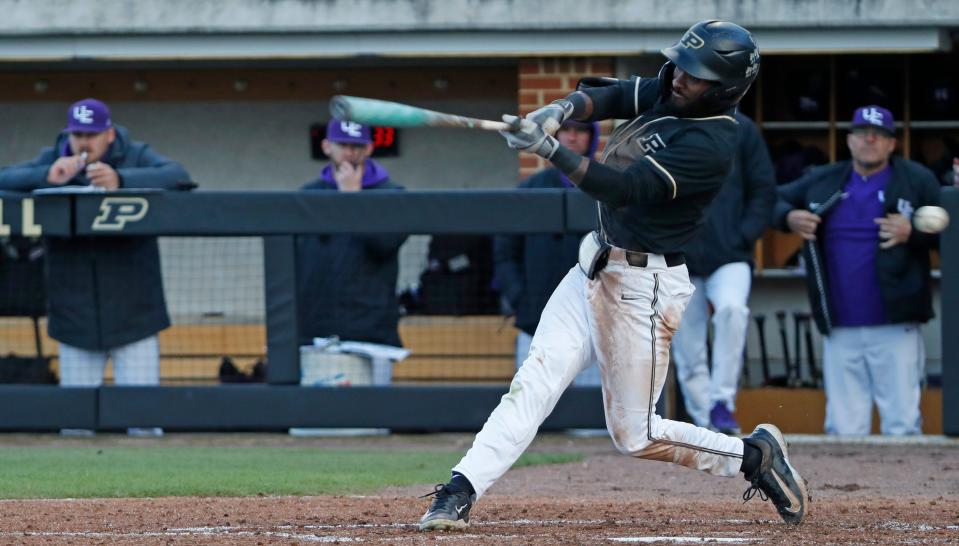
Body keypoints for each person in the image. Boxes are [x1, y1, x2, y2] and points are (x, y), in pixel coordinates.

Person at [418, 20, 809, 531]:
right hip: (594, 263)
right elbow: (612, 95)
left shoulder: (711, 143)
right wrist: (555, 112)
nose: (680, 79)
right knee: (535, 380)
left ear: (727, 87)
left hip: (643, 289)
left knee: (636, 434)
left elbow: (622, 188)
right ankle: (459, 490)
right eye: (683, 67)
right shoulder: (676, 86)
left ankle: (751, 456)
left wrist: (550, 150)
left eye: (697, 75)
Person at [0, 98, 192, 436]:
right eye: (77, 134)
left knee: (144, 424)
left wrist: (121, 180)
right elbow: (6, 178)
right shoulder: (54, 158)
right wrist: (46, 175)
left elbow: (179, 176)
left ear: (110, 134)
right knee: (75, 426)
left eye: (91, 134)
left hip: (135, 315)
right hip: (74, 315)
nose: (84, 143)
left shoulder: (135, 154)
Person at [772, 105, 941, 436]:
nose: (870, 141)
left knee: (902, 421)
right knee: (844, 425)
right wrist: (789, 218)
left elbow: (949, 228)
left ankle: (906, 491)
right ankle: (851, 490)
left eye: (879, 136)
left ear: (892, 144)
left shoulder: (916, 179)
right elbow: (771, 200)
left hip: (896, 321)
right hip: (840, 323)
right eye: (863, 134)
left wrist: (914, 232)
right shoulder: (825, 179)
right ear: (849, 141)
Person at [671, 112, 776, 434]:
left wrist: (743, 236)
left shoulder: (741, 128)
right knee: (687, 344)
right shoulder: (666, 124)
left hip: (729, 253)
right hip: (677, 255)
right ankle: (705, 422)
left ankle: (721, 403)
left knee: (732, 310)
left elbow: (764, 189)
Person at [494, 119, 602, 386]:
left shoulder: (606, 187)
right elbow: (505, 252)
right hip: (537, 320)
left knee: (589, 420)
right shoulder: (531, 188)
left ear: (592, 137)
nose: (572, 137)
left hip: (593, 323)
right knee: (531, 407)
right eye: (566, 130)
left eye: (580, 130)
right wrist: (521, 298)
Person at [297, 119, 407, 349]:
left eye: (356, 146)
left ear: (369, 148)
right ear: (327, 147)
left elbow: (385, 243)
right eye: (342, 145)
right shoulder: (308, 194)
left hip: (371, 329)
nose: (349, 153)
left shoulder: (392, 194)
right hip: (314, 328)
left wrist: (352, 198)